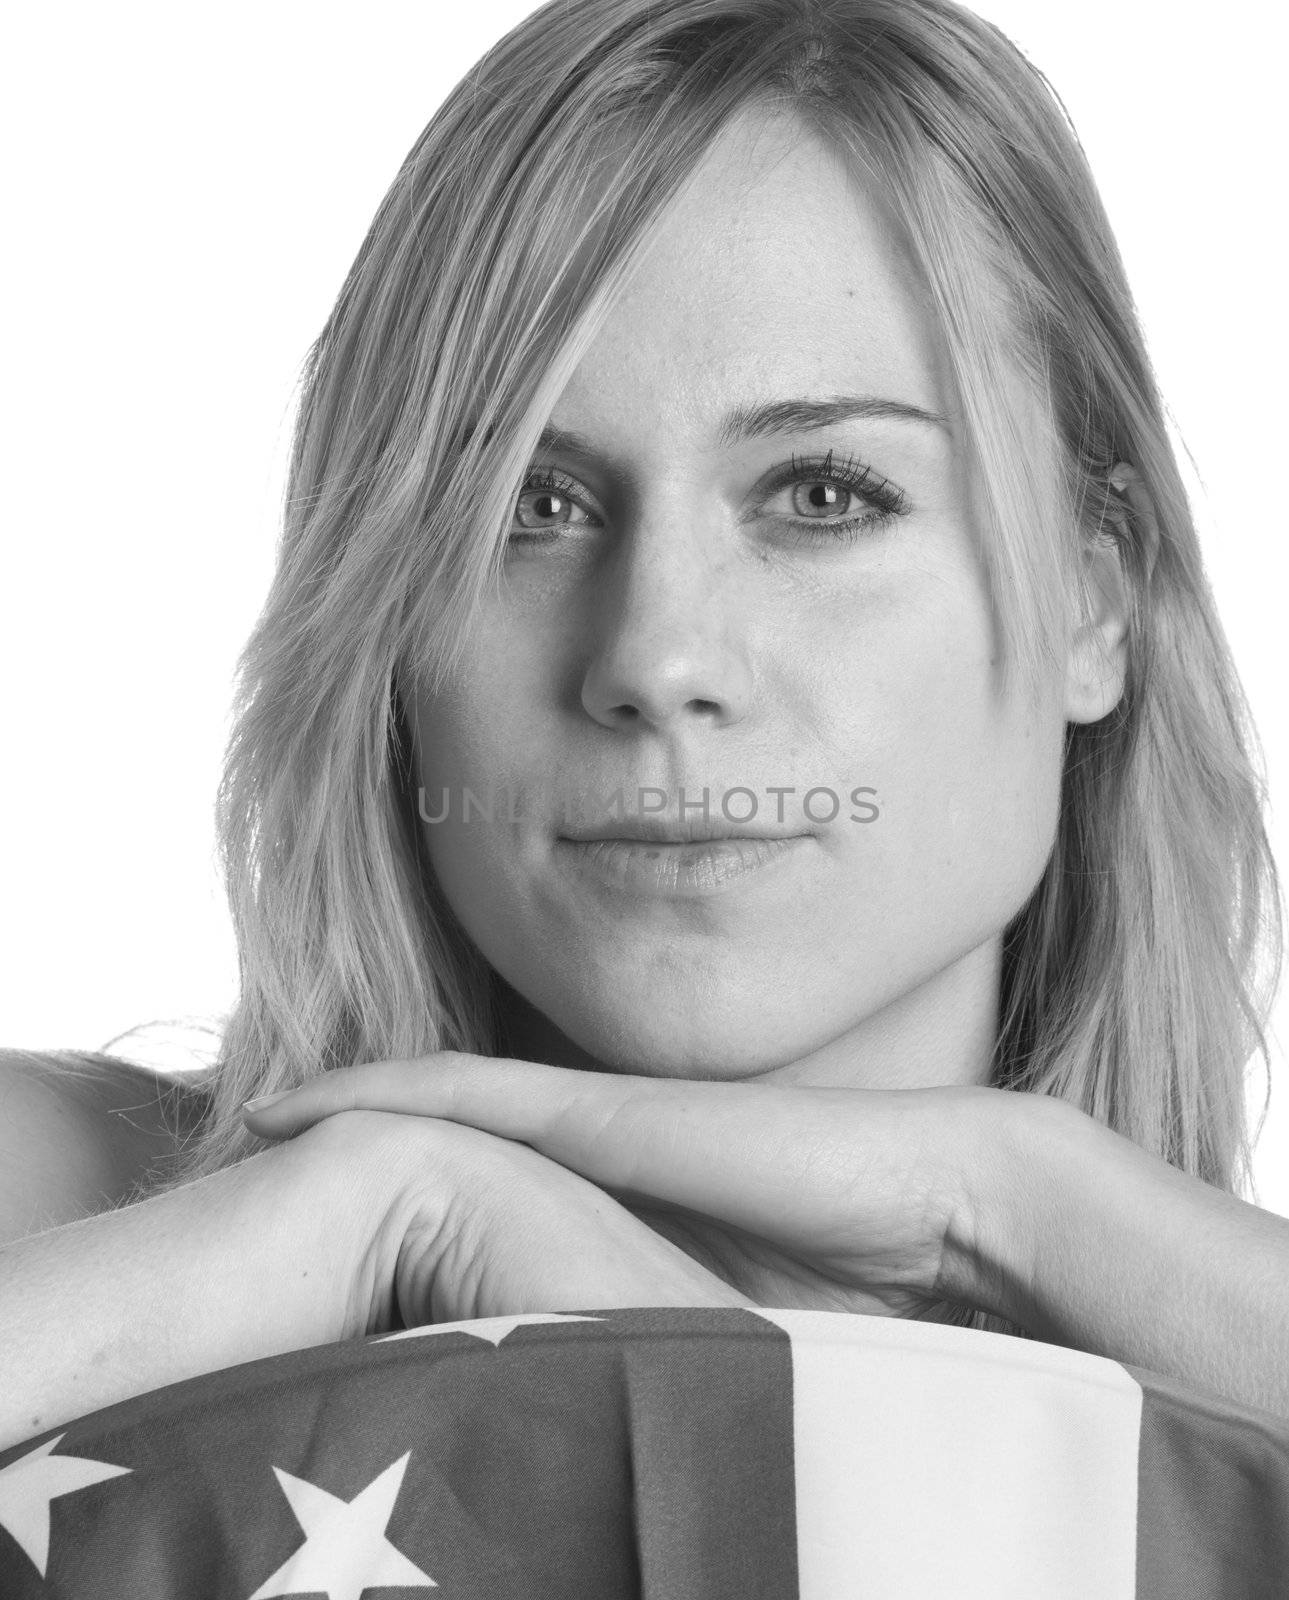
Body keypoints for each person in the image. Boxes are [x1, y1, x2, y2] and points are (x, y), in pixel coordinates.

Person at [3, 0, 1287, 1456]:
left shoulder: (1231, 1432)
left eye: (821, 495)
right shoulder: (56, 1203)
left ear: (1093, 603)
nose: (656, 657)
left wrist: (1014, 1199)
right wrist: (377, 1211)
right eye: (527, 508)